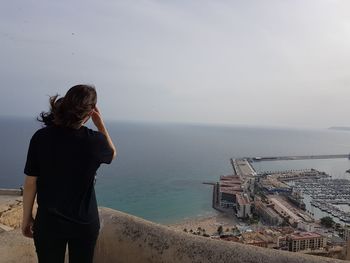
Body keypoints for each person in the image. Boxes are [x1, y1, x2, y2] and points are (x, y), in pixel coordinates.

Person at [22, 84, 116, 263]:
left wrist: (26, 219)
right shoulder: (95, 142)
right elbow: (112, 153)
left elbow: (30, 183)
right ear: (90, 113)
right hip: (84, 223)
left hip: (49, 224)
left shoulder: (40, 137)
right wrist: (100, 123)